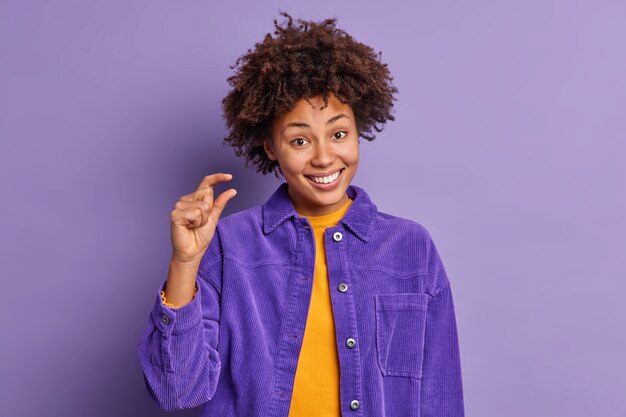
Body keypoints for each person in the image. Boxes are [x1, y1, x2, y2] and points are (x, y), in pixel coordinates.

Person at [137, 11, 465, 417]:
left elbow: (439, 398)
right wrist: (185, 262)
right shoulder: (229, 245)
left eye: (339, 133)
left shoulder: (411, 248)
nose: (325, 157)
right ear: (271, 147)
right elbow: (176, 391)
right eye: (299, 140)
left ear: (359, 130)